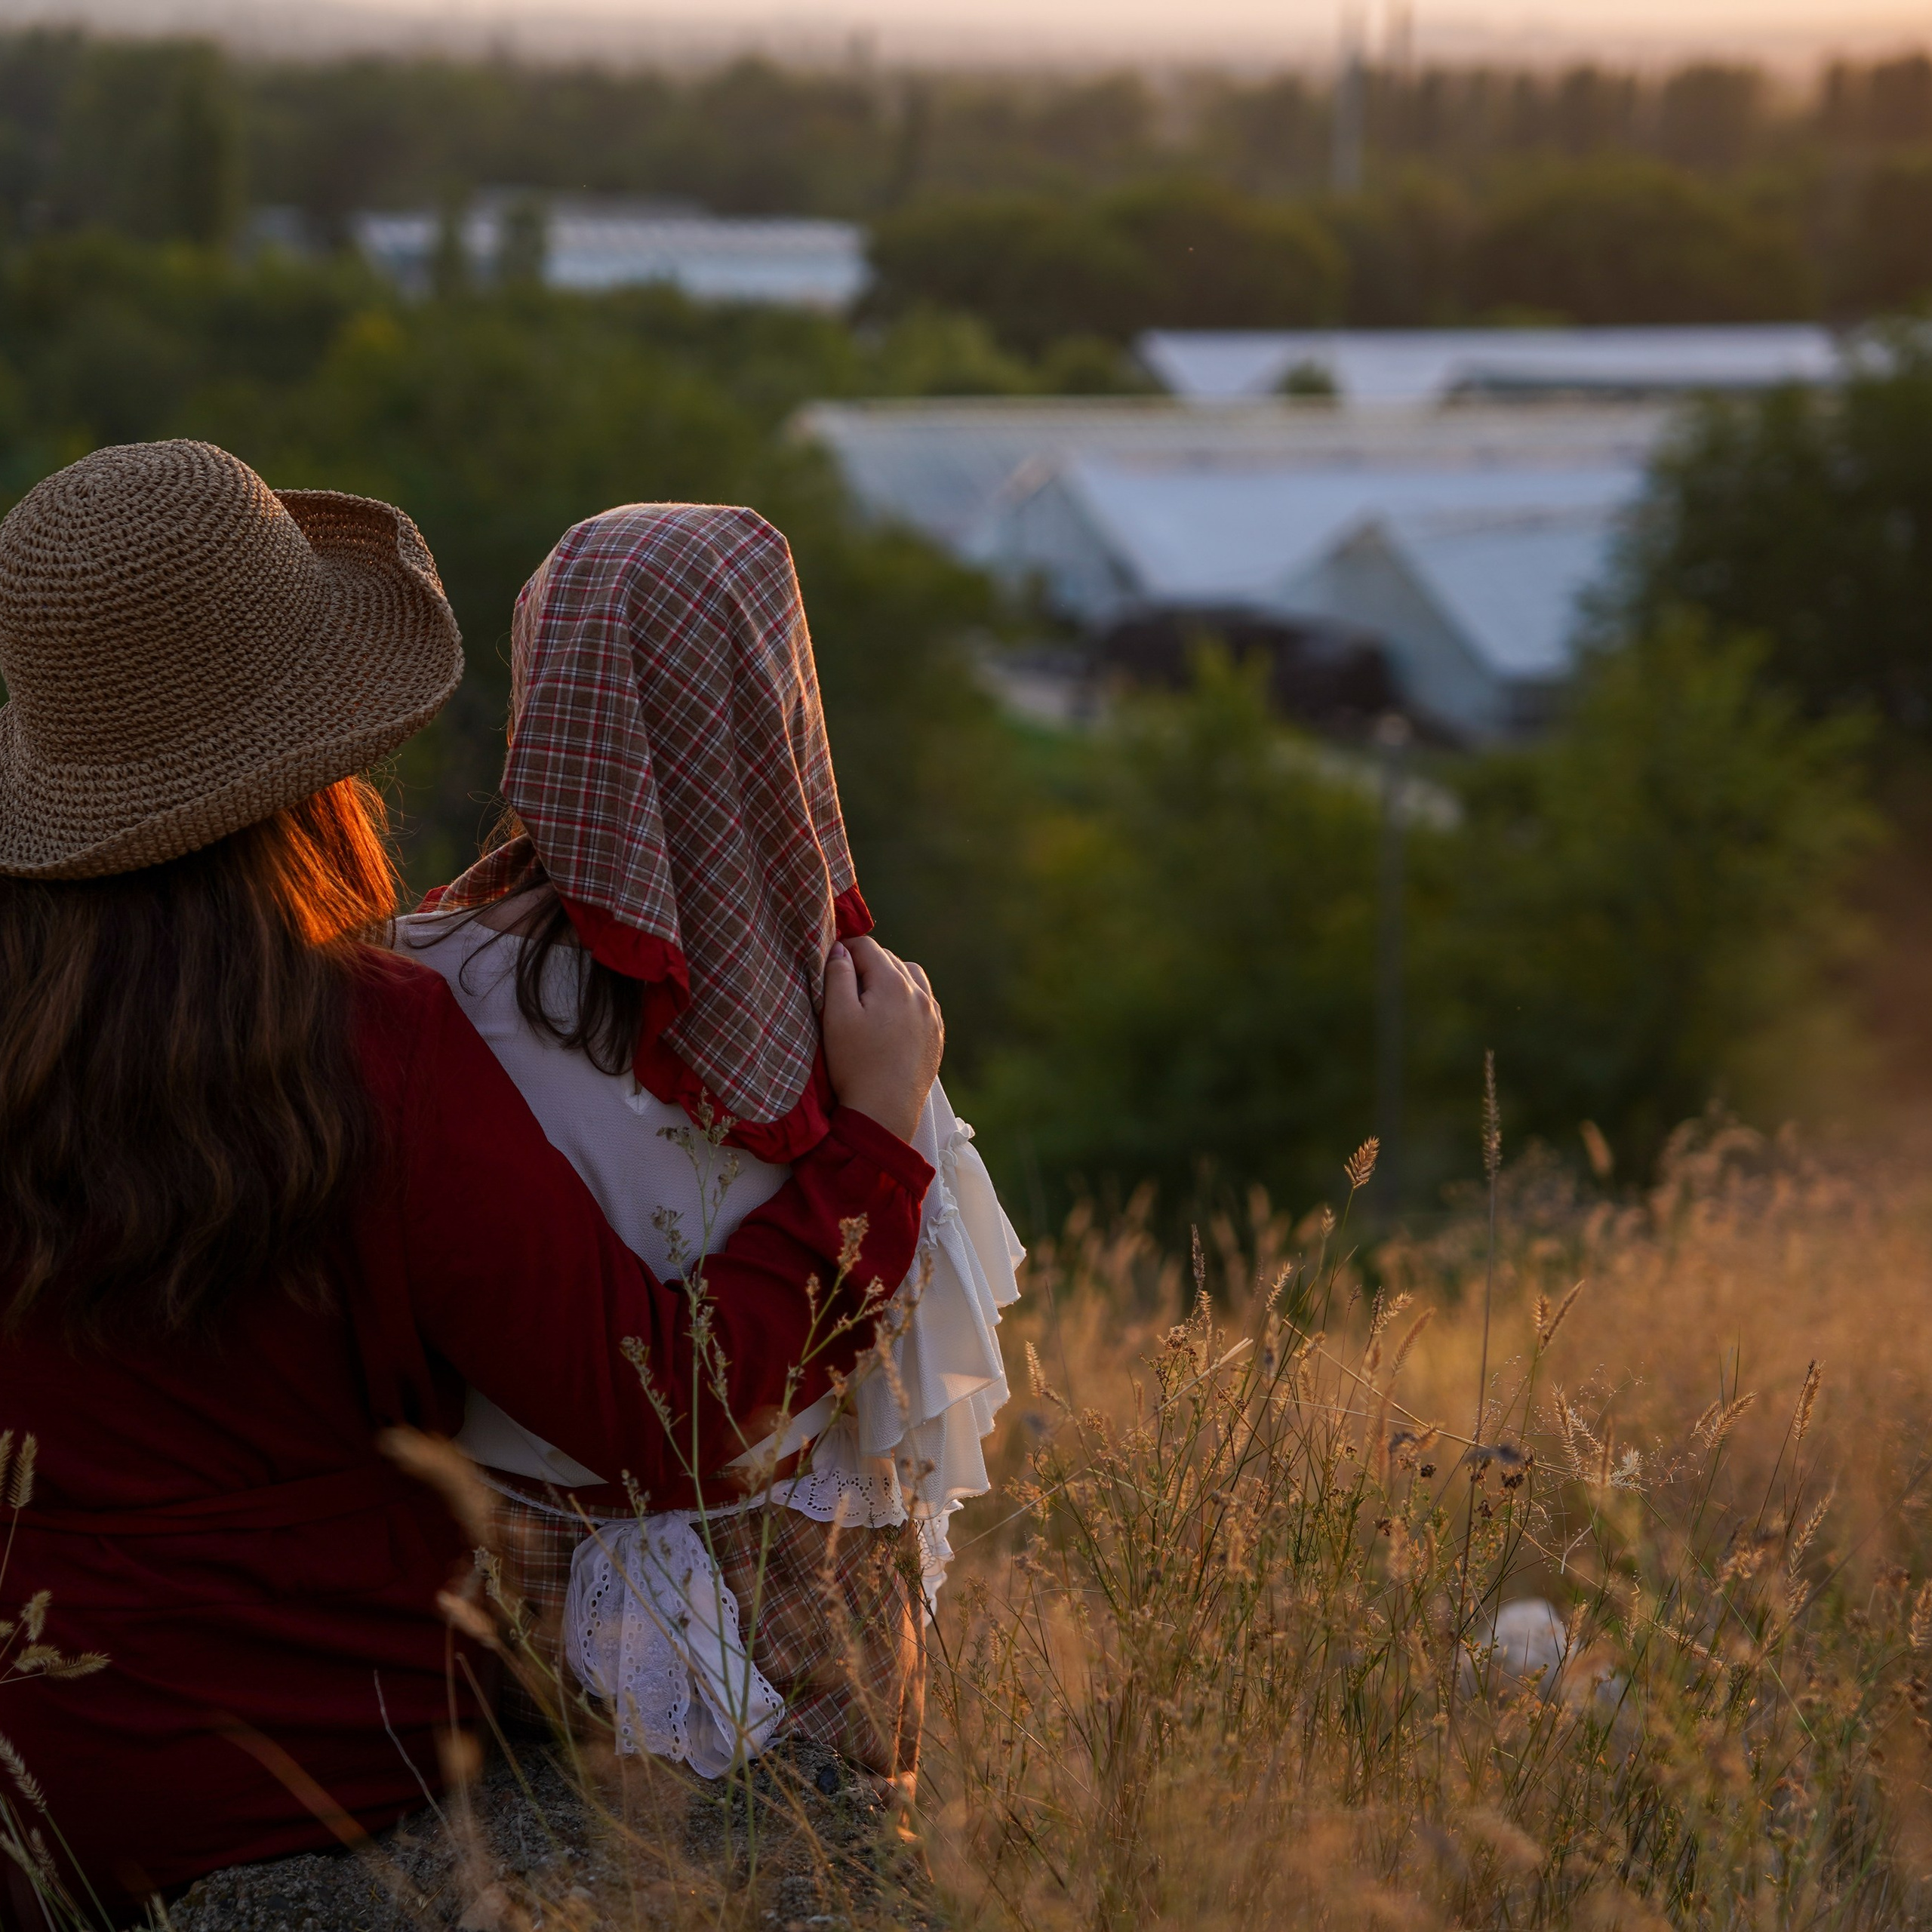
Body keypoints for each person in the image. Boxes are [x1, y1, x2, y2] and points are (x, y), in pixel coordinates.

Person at [0, 441, 943, 1918]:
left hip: (27, 1755)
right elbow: (663, 1411)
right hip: (308, 1755)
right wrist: (876, 1145)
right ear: (306, 758)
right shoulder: (363, 1039)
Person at [402, 503, 1020, 1788]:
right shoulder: (862, 1016)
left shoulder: (421, 984)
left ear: (549, 699)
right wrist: (883, 1121)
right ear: (779, 702)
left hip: (497, 1593)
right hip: (791, 1601)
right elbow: (879, 1369)